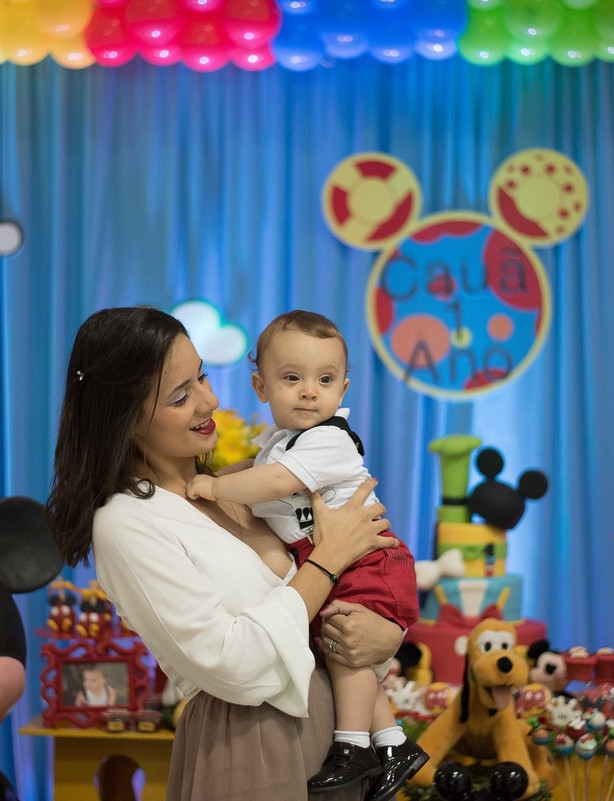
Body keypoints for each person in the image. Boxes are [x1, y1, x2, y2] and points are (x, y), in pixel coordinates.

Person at [46, 306, 407, 801]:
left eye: (202, 378)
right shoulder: (127, 522)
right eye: (181, 395)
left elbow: (348, 595)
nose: (209, 401)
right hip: (252, 741)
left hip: (337, 734)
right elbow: (235, 664)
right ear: (126, 419)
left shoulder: (242, 485)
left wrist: (384, 634)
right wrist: (331, 558)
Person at [187, 310, 425, 798]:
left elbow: (274, 482)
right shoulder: (279, 444)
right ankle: (393, 741)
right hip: (341, 559)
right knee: (339, 643)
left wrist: (213, 484)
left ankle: (354, 743)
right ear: (260, 386)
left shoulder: (329, 440)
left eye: (325, 379)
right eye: (292, 378)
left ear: (343, 388)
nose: (309, 391)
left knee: (342, 644)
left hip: (368, 559)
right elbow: (261, 470)